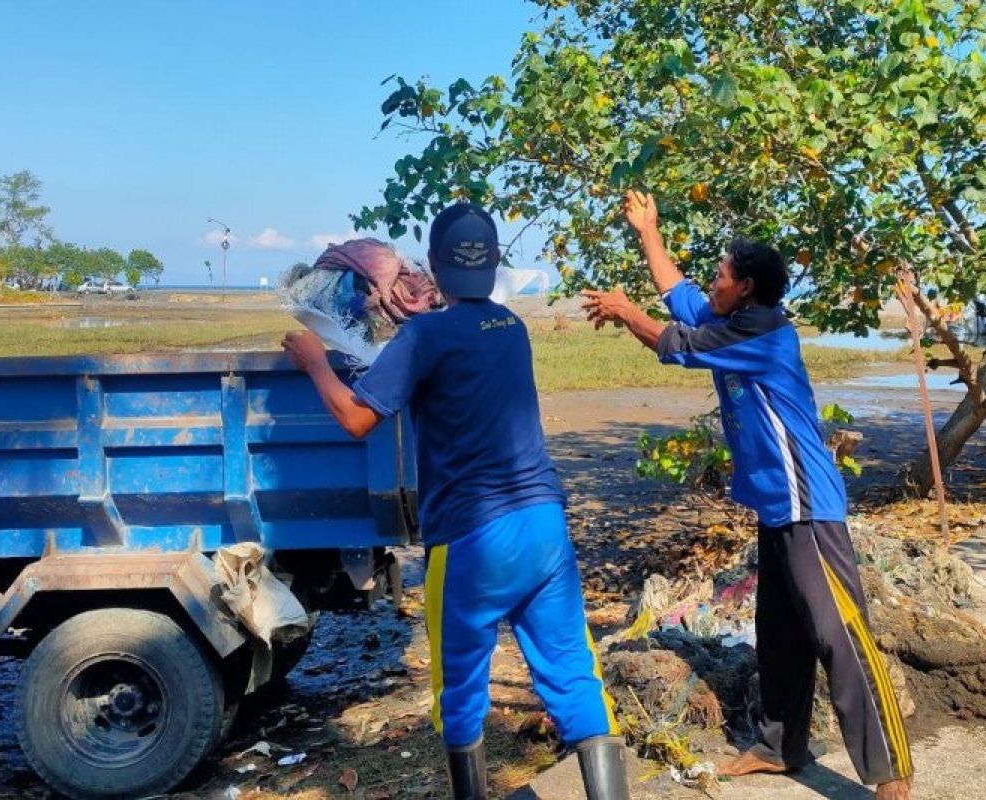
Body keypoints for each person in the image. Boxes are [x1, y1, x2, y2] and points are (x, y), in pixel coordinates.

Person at [282, 203, 628, 800]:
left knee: (461, 692)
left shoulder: (423, 335)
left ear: (434, 265)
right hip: (545, 529)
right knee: (574, 677)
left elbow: (357, 418)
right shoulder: (511, 327)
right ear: (493, 265)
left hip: (472, 542)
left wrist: (315, 363)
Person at [581, 191, 913, 800]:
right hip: (776, 506)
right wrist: (647, 230)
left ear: (747, 289)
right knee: (780, 629)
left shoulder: (762, 335)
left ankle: (889, 771)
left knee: (840, 632)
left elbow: (671, 343)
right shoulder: (730, 319)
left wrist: (625, 310)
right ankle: (778, 747)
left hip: (808, 505)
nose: (711, 282)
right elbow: (675, 294)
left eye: (721, 275)